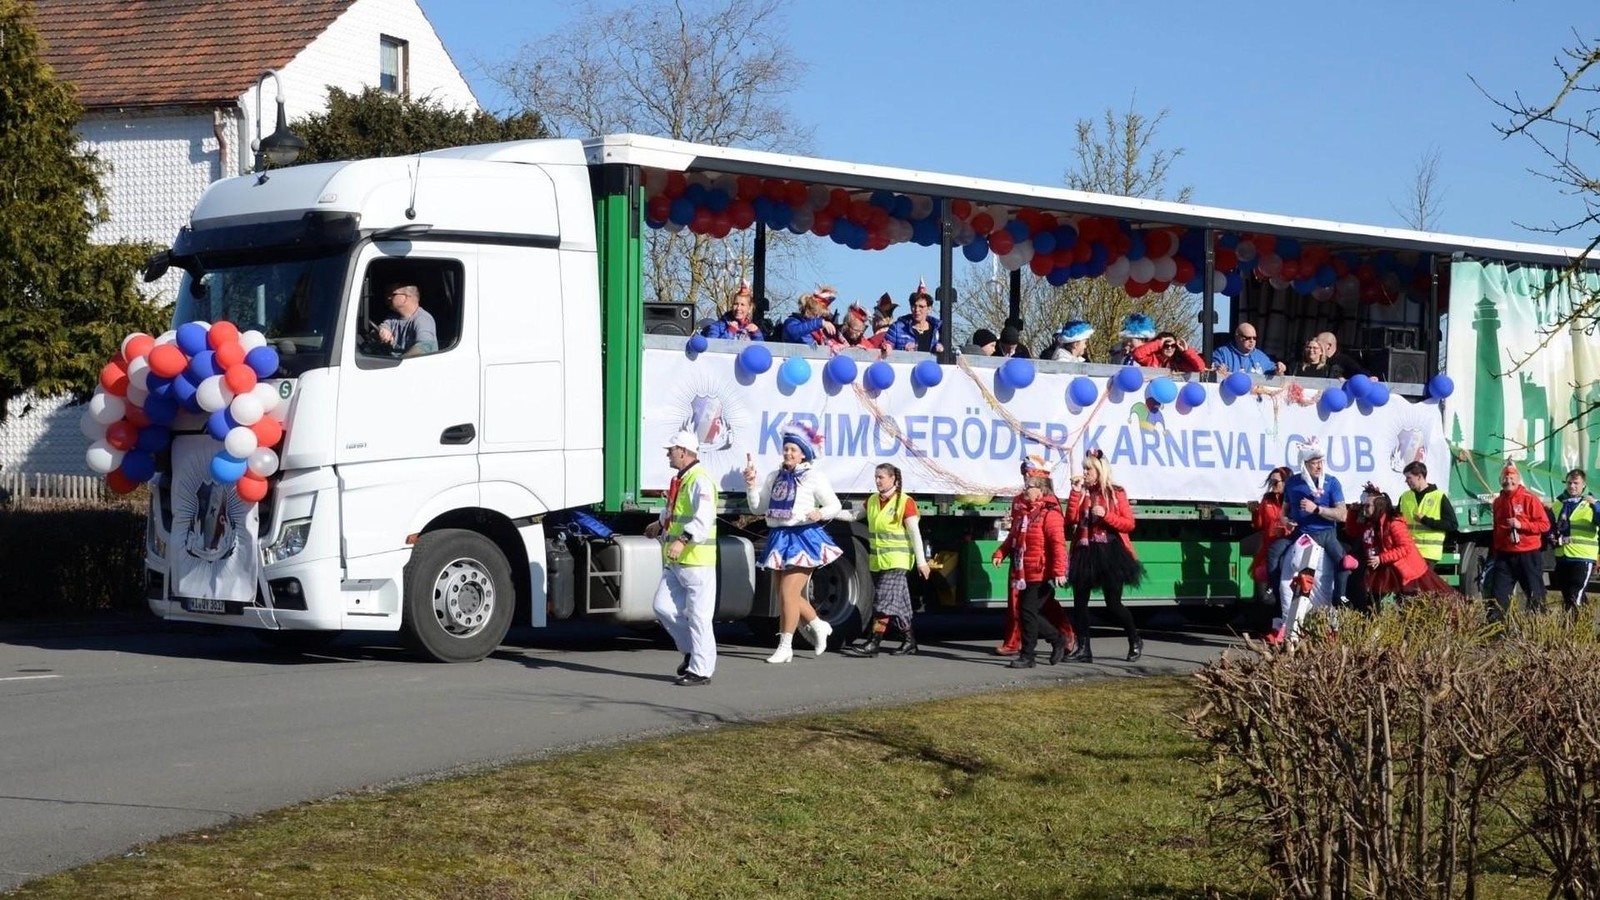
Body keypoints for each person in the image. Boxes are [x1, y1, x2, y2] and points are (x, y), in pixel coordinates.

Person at [743, 424, 843, 663]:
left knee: (789, 593)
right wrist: (751, 485)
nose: (788, 453)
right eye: (786, 448)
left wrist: (820, 513)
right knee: (783, 595)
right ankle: (819, 625)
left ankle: (785, 645)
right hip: (779, 538)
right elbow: (757, 508)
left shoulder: (814, 477)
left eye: (793, 450)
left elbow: (834, 505)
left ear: (803, 454)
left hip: (803, 537)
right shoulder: (773, 477)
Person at [645, 431, 718, 686]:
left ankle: (701, 670)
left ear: (684, 452)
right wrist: (659, 524)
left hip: (697, 560)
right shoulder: (682, 479)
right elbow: (675, 511)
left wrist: (682, 540)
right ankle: (691, 651)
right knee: (662, 606)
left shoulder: (700, 480)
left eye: (671, 450)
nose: (668, 454)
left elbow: (703, 517)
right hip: (677, 561)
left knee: (699, 616)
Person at [838, 464, 931, 657]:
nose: (878, 481)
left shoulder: (905, 502)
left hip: (898, 561)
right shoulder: (872, 500)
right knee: (900, 602)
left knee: (882, 601)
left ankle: (874, 642)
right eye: (876, 477)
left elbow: (915, 534)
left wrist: (922, 562)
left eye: (881, 477)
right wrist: (825, 512)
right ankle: (910, 641)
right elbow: (853, 515)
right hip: (879, 561)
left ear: (893, 479)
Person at [1064, 450, 1144, 662]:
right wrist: (1074, 494)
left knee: (1113, 604)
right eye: (1084, 469)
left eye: (1088, 469)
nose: (1085, 473)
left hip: (1110, 552)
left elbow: (1129, 524)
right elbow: (1070, 519)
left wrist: (1106, 515)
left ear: (1100, 471)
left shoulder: (1116, 492)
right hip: (1084, 550)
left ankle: (1134, 638)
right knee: (1079, 603)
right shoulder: (1082, 493)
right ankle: (1084, 649)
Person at [995, 457, 1075, 657]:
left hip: (1039, 567)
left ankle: (1061, 636)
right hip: (1021, 561)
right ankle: (1019, 645)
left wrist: (1058, 571)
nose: (1025, 481)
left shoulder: (1050, 509)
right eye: (1024, 476)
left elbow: (1057, 543)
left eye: (1029, 478)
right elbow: (1015, 533)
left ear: (1040, 486)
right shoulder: (1020, 502)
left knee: (1033, 608)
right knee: (1022, 606)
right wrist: (1002, 551)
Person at [1356, 489, 1457, 604]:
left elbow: (1405, 548)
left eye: (1368, 506)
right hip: (1394, 569)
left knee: (1429, 601)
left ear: (1378, 507)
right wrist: (1352, 513)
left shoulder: (1394, 523)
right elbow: (1352, 531)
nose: (1365, 509)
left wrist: (1381, 558)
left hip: (1410, 571)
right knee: (1379, 599)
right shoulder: (1376, 524)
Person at [1281, 443, 1350, 607]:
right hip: (1301, 534)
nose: (1319, 466)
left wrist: (1317, 509)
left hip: (1326, 533)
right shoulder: (1292, 483)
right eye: (1314, 462)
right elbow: (1283, 512)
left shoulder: (1332, 482)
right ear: (1304, 464)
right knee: (1275, 558)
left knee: (1344, 562)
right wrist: (1286, 521)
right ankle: (1276, 605)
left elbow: (1343, 515)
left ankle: (1340, 596)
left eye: (1321, 461)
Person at [1490, 461, 1550, 620]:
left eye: (1512, 478)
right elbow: (1496, 528)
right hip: (1505, 555)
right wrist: (1496, 552)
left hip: (1528, 554)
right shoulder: (1498, 502)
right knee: (1498, 596)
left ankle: (1539, 630)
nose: (1508, 481)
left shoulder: (1530, 499)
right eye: (1505, 478)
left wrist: (1521, 525)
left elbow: (1544, 525)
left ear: (1518, 480)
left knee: (1534, 594)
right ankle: (1496, 634)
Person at [1548, 469, 1598, 610]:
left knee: (1575, 596)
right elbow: (1549, 526)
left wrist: (1596, 505)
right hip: (1563, 557)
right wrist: (1550, 536)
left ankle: (1572, 629)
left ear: (1583, 485)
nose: (1572, 486)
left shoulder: (1591, 503)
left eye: (1576, 483)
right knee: (1568, 597)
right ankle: (1585, 626)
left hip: (1583, 557)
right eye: (1569, 483)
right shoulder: (1558, 504)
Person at [1248, 466, 1295, 607]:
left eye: (1276, 482)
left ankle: (1282, 623)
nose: (1272, 485)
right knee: (1264, 596)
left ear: (1286, 483)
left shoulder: (1292, 501)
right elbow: (1259, 525)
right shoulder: (1267, 499)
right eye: (1271, 482)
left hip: (1287, 550)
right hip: (1267, 550)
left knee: (1285, 592)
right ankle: (1270, 622)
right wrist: (1255, 512)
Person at [1398, 461, 1456, 572]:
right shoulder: (1405, 496)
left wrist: (1426, 520)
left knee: (1420, 587)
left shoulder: (1439, 496)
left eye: (1409, 478)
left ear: (1419, 477)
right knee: (1410, 587)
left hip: (1429, 552)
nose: (1406, 481)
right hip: (1409, 551)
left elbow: (1452, 525)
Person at [373, 283, 438, 356]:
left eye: (393, 294)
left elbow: (424, 347)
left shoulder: (423, 319)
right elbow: (383, 326)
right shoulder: (393, 317)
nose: (389, 298)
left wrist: (400, 361)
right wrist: (383, 330)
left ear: (405, 298)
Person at [886, 280, 942, 353]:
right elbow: (886, 348)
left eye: (921, 306)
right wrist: (903, 350)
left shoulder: (938, 329)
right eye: (914, 306)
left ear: (929, 309)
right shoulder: (897, 328)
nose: (916, 310)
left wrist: (940, 349)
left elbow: (947, 350)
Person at [1210, 322, 1284, 375]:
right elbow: (1212, 370)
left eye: (1254, 338)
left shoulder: (1260, 356)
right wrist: (1218, 371)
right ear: (1237, 337)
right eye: (1248, 338)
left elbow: (1276, 374)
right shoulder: (1222, 353)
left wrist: (1279, 370)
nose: (1252, 341)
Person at [1130, 331, 1206, 372]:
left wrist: (1186, 351)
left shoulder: (1178, 361)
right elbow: (1137, 354)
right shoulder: (1151, 359)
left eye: (1173, 345)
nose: (1170, 348)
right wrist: (1159, 343)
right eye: (1166, 345)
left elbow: (1200, 368)